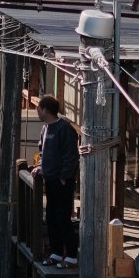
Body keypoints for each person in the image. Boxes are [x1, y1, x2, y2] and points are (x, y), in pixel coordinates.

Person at [35, 95, 79, 267]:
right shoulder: (45, 128)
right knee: (52, 217)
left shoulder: (64, 128)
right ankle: (56, 253)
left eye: (39, 109)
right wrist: (40, 166)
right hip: (50, 179)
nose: (38, 112)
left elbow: (71, 156)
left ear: (45, 110)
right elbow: (42, 152)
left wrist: (63, 177)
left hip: (62, 182)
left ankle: (72, 256)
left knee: (63, 217)